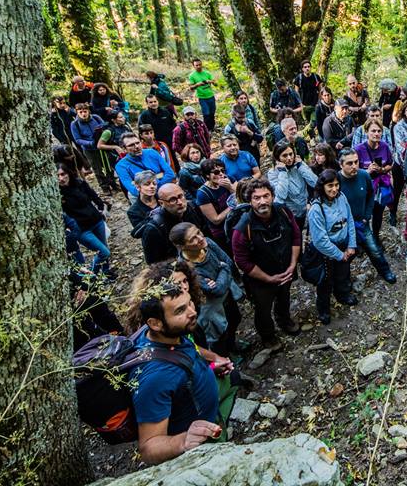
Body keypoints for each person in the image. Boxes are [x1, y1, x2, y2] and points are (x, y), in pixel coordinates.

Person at [125, 268, 225, 465]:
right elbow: (149, 447)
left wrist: (212, 361)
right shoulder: (155, 378)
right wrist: (184, 441)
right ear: (155, 323)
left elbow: (187, 351)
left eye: (189, 303)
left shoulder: (169, 332)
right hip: (197, 448)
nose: (192, 312)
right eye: (180, 310)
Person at [231, 179, 302, 348]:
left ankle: (284, 320)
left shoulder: (283, 212)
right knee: (262, 309)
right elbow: (242, 261)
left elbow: (296, 236)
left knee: (284, 297)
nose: (262, 201)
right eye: (257, 198)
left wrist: (292, 265)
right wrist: (268, 279)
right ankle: (268, 336)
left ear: (272, 196)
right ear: (250, 201)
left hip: (285, 269)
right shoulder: (243, 229)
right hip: (260, 279)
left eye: (266, 196)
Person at [169, 222, 242, 355]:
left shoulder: (207, 244)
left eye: (198, 232)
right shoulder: (186, 268)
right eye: (193, 239)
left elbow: (229, 262)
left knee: (235, 318)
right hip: (211, 307)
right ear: (182, 246)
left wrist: (221, 274)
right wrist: (222, 268)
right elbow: (216, 290)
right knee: (218, 334)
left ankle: (232, 345)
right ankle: (224, 359)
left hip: (227, 295)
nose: (200, 238)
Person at [308, 170, 358, 324]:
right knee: (325, 281)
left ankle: (343, 294)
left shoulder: (341, 197)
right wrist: (339, 255)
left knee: (343, 273)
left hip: (344, 244)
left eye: (337, 185)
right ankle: (323, 309)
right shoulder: (317, 209)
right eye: (330, 186)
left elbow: (349, 220)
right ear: (322, 186)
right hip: (326, 252)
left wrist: (351, 244)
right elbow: (320, 241)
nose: (334, 189)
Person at [338, 149, 397, 284]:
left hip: (362, 222)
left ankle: (385, 271)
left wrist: (367, 215)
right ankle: (344, 282)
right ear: (341, 164)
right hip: (344, 227)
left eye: (356, 162)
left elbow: (371, 195)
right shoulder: (336, 181)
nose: (354, 166)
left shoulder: (364, 176)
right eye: (349, 163)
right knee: (345, 256)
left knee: (374, 249)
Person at [135, 183, 210, 264]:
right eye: (172, 200)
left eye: (181, 196)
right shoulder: (154, 228)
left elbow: (206, 232)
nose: (180, 202)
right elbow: (154, 263)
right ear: (161, 203)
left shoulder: (192, 207)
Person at [58, 165, 112, 278]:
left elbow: (93, 195)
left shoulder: (79, 183)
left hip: (96, 221)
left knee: (104, 247)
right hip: (81, 229)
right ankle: (90, 277)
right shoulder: (58, 194)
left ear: (68, 173)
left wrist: (101, 208)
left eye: (63, 174)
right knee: (103, 252)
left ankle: (106, 272)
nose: (61, 178)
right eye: (57, 176)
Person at [354, 119, 394, 241]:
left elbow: (390, 164)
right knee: (363, 215)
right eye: (373, 131)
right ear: (366, 132)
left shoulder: (384, 146)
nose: (376, 134)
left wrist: (381, 169)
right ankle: (362, 241)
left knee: (378, 214)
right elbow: (353, 171)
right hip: (363, 188)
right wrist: (367, 171)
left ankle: (376, 238)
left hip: (380, 187)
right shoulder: (358, 149)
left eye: (379, 131)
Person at [268, 140, 318, 227]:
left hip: (302, 210)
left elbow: (315, 183)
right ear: (277, 158)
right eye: (284, 155)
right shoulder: (273, 173)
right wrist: (282, 172)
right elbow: (281, 194)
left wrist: (301, 167)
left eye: (291, 154)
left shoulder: (299, 165)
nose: (289, 158)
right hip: (287, 214)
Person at [70, 103, 117, 192]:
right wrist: (91, 143)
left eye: (85, 111)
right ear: (77, 113)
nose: (83, 114)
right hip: (90, 150)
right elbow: (78, 139)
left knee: (108, 166)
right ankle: (105, 187)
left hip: (103, 146)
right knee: (97, 169)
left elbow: (105, 127)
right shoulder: (75, 124)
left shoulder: (96, 118)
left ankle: (113, 183)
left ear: (89, 111)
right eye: (81, 112)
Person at [195, 158, 236, 251]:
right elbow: (216, 220)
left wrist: (230, 188)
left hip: (236, 222)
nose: (221, 174)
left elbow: (242, 198)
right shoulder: (203, 193)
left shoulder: (229, 179)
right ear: (207, 175)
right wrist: (232, 205)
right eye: (216, 172)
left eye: (222, 171)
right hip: (222, 231)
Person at [293, 60, 324, 135]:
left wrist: (319, 102)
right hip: (304, 105)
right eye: (305, 67)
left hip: (315, 104)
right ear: (302, 69)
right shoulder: (299, 78)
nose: (307, 68)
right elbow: (296, 93)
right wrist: (300, 104)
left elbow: (321, 90)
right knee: (308, 123)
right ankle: (312, 139)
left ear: (311, 67)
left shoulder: (316, 77)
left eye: (308, 66)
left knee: (313, 122)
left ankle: (301, 134)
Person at [188, 58, 218, 131]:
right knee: (206, 114)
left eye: (200, 64)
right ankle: (206, 129)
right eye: (196, 65)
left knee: (212, 113)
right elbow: (191, 88)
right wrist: (198, 84)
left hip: (211, 96)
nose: (199, 66)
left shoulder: (207, 73)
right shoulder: (192, 75)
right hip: (202, 98)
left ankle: (212, 128)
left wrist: (210, 81)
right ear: (193, 66)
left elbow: (216, 84)